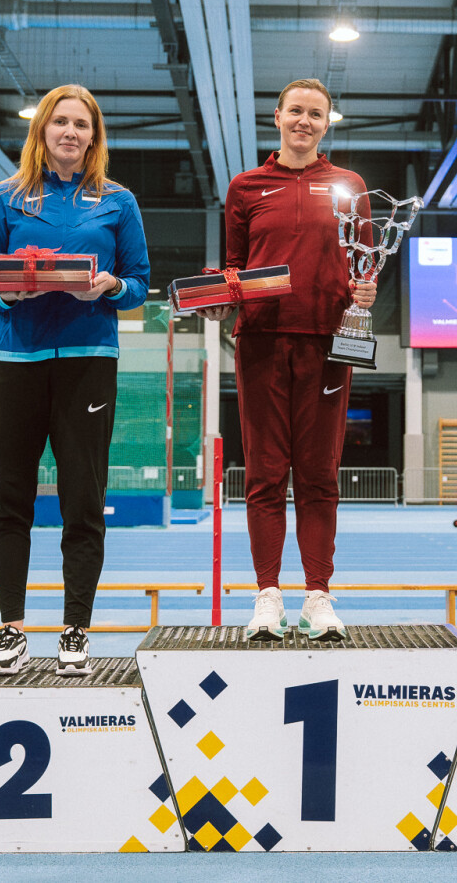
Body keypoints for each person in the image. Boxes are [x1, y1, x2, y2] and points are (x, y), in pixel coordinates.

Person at [0, 83, 149, 676]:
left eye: (81, 124)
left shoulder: (118, 202)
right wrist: (9, 294)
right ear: (41, 130)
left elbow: (140, 282)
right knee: (9, 497)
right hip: (13, 361)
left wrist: (111, 287)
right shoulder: (4, 199)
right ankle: (11, 628)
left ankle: (76, 629)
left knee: (83, 498)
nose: (70, 132)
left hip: (87, 360)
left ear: (94, 136)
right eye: (60, 122)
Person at [196, 78, 375, 641]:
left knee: (319, 474)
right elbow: (234, 264)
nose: (304, 121)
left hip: (328, 344)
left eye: (316, 114)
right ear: (277, 117)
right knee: (265, 474)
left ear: (327, 123)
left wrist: (366, 289)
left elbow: (366, 262)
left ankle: (317, 596)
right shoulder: (246, 187)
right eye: (295, 110)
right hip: (262, 343)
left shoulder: (349, 186)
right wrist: (217, 296)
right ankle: (267, 595)